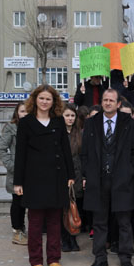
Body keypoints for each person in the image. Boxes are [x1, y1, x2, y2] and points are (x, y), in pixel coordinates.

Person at [13, 85, 75, 266]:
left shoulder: (58, 121)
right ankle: (36, 261)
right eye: (42, 98)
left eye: (48, 99)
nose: (45, 102)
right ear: (35, 100)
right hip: (34, 179)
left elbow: (66, 150)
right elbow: (20, 154)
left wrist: (71, 175)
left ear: (53, 101)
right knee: (36, 223)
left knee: (55, 222)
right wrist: (18, 182)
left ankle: (54, 259)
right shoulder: (26, 123)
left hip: (57, 178)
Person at [82, 89, 134, 266]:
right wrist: (87, 175)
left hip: (123, 181)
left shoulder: (130, 124)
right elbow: (85, 152)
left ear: (118, 104)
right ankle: (100, 258)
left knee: (124, 223)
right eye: (105, 100)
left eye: (111, 100)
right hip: (98, 181)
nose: (107, 103)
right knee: (99, 222)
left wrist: (129, 172)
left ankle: (125, 258)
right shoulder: (91, 123)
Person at [0, 102, 28, 245]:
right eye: (22, 111)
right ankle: (17, 230)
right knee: (18, 202)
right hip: (16, 172)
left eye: (28, 111)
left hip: (32, 172)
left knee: (29, 202)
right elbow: (1, 150)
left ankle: (24, 229)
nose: (25, 114)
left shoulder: (33, 127)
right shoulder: (11, 128)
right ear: (17, 113)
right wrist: (12, 166)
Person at [60, 103, 83, 253]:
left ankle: (73, 238)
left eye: (72, 115)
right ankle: (64, 239)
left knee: (75, 209)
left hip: (77, 176)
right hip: (62, 176)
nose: (70, 118)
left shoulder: (80, 134)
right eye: (67, 115)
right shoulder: (57, 133)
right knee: (63, 210)